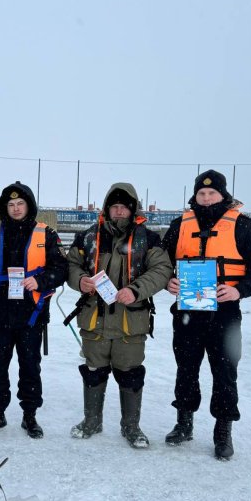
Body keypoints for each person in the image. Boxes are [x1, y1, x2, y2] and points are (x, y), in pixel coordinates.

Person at [162, 170, 251, 459]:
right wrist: (167, 281)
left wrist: (239, 290)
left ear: (223, 195)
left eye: (212, 193)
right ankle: (184, 422)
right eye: (202, 193)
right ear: (195, 196)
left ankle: (223, 430)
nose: (207, 198)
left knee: (225, 372)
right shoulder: (179, 225)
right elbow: (160, 262)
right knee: (186, 369)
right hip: (188, 310)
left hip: (224, 312)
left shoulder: (243, 225)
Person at [66, 183, 171, 449]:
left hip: (130, 322)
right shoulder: (88, 237)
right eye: (115, 206)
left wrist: (136, 290)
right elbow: (71, 265)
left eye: (124, 207)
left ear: (133, 209)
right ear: (107, 209)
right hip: (95, 320)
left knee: (131, 374)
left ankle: (131, 427)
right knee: (93, 372)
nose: (120, 211)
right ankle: (92, 421)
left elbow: (162, 270)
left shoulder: (149, 239)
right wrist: (80, 280)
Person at [0, 182, 68, 439]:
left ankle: (29, 415)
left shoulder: (46, 234)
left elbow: (61, 268)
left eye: (20, 204)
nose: (15, 208)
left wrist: (41, 281)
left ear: (29, 206)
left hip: (31, 313)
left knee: (30, 367)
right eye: (10, 205)